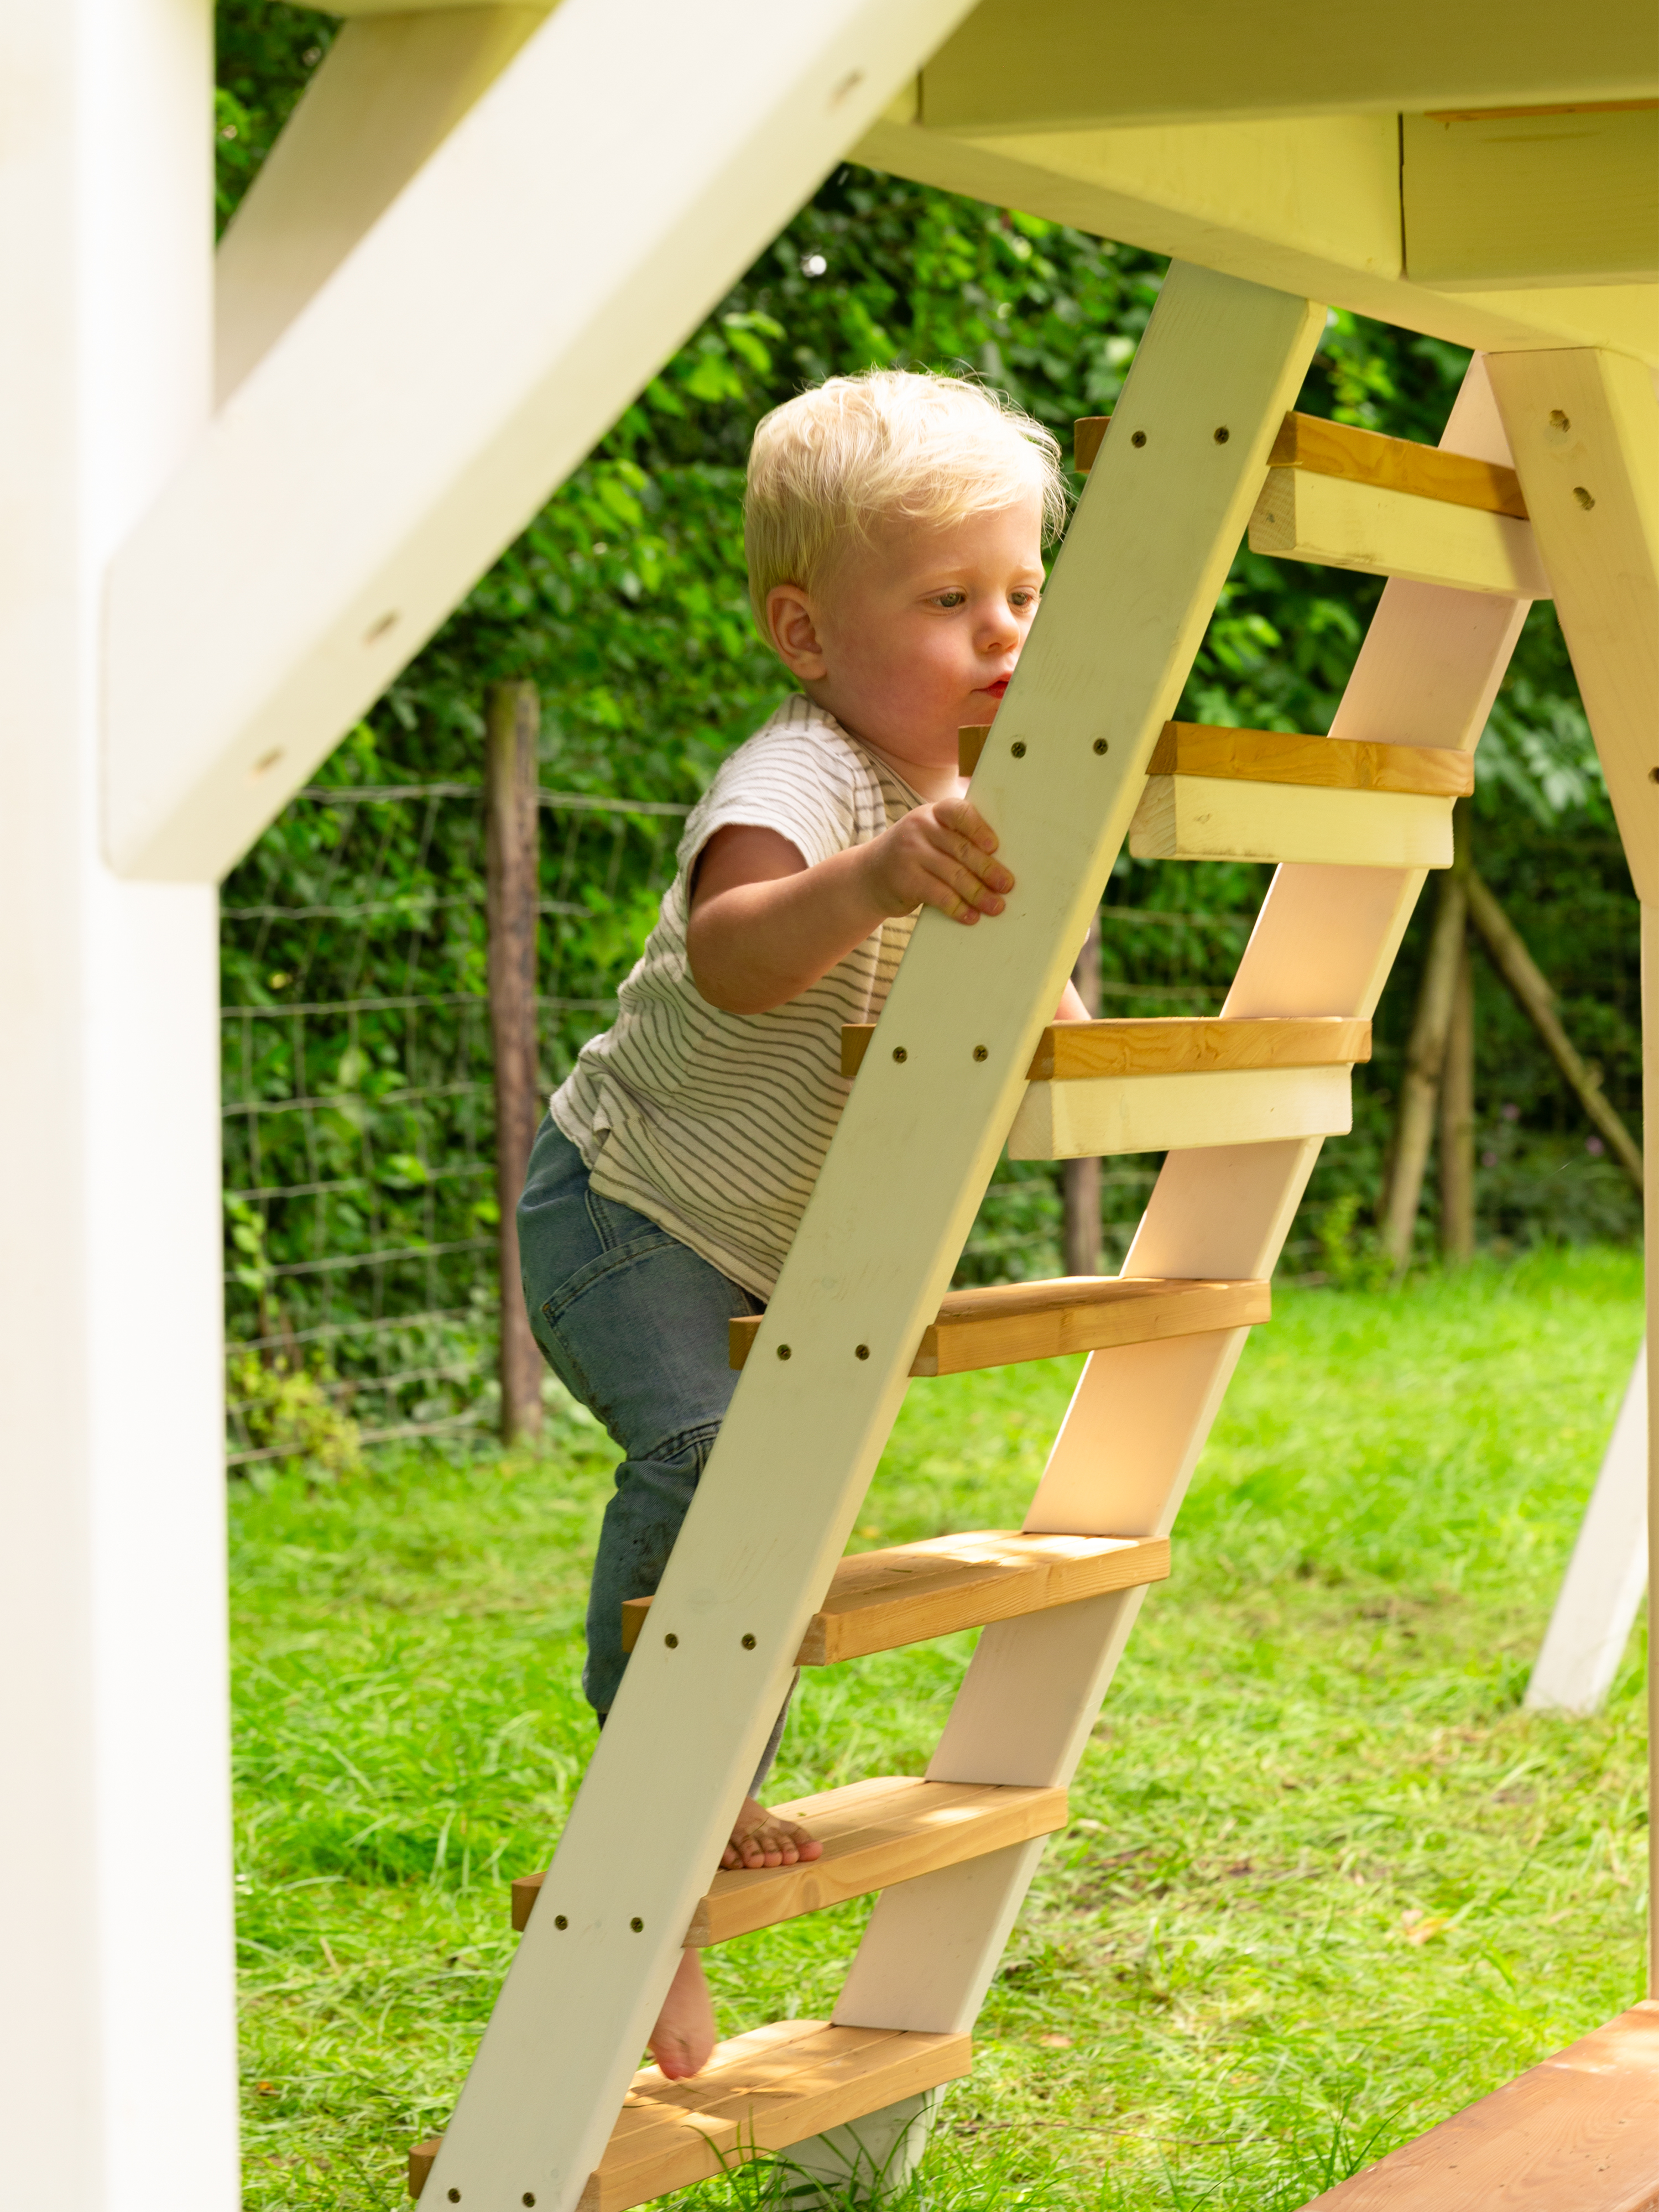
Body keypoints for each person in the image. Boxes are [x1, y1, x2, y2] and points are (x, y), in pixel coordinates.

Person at [517, 368, 1082, 2079]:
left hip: (769, 1254)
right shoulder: (809, 780)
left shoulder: (1000, 795)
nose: (1000, 635)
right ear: (805, 631)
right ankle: (645, 1840)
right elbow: (738, 950)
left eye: (1023, 597)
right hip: (629, 1210)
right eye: (948, 600)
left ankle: (697, 1802)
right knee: (702, 1460)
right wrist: (888, 875)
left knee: (772, 1533)